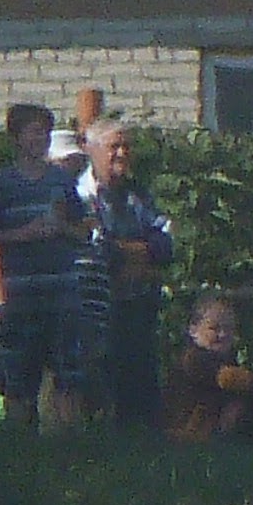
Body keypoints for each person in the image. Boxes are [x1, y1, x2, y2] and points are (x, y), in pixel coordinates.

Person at [58, 120, 175, 430]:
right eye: (114, 147)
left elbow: (165, 245)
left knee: (139, 390)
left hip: (137, 304)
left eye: (126, 146)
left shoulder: (139, 195)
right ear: (91, 150)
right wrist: (138, 252)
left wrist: (128, 252)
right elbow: (99, 249)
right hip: (92, 306)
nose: (122, 153)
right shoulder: (77, 195)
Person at [0, 102, 77, 424]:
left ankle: (68, 443)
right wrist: (24, 234)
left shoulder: (61, 181)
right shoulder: (2, 184)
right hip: (21, 297)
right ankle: (20, 443)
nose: (41, 138)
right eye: (34, 131)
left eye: (45, 132)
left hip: (62, 293)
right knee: (19, 380)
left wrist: (63, 228)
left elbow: (84, 227)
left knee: (67, 376)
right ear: (16, 137)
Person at [165, 296, 253, 444]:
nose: (223, 334)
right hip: (190, 430)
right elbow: (231, 379)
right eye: (214, 328)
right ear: (193, 329)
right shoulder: (194, 358)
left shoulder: (225, 358)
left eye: (229, 329)